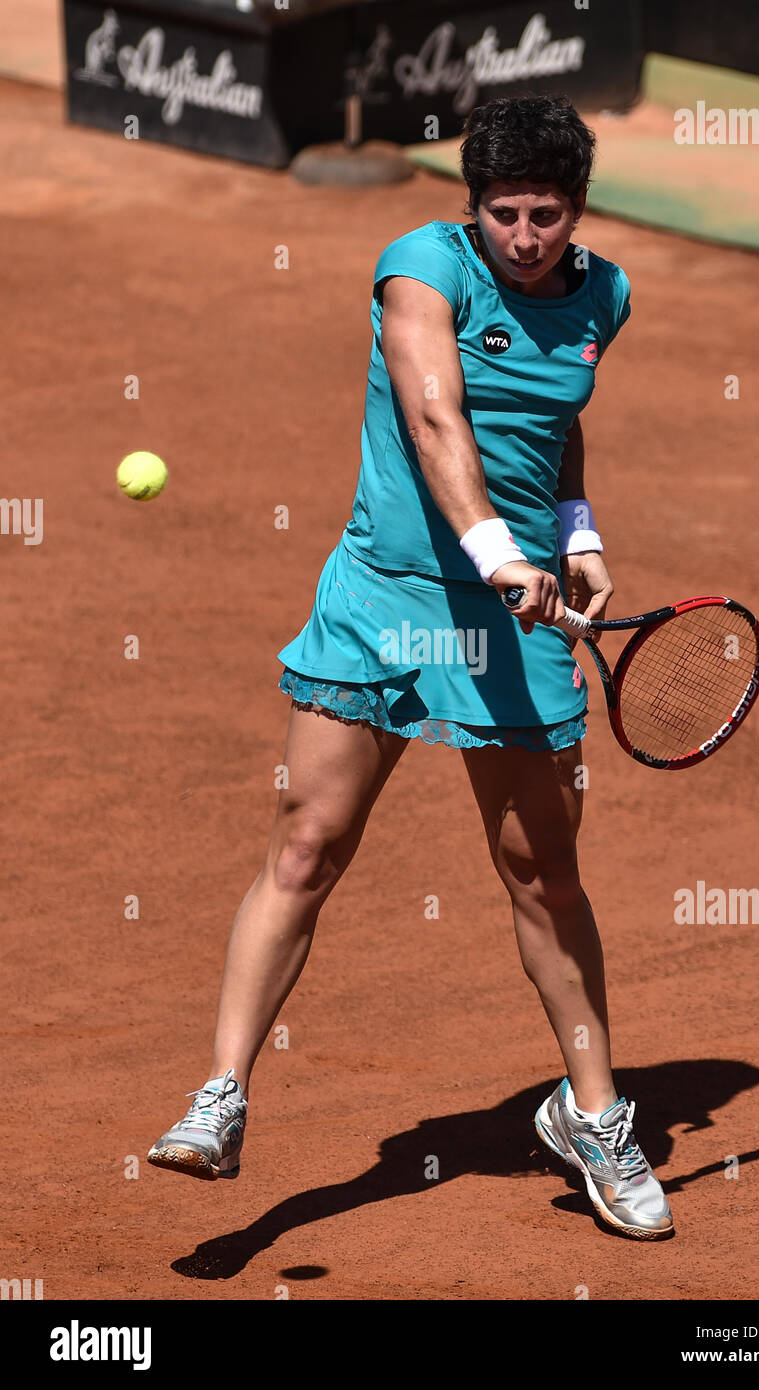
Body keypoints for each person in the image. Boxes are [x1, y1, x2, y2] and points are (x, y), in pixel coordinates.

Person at [148, 94, 673, 1241]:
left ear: (576, 210)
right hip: (386, 600)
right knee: (305, 841)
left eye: (544, 215)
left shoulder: (604, 295)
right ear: (468, 207)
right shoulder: (418, 270)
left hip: (512, 623)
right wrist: (495, 549)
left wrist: (575, 531)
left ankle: (590, 1114)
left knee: (544, 880)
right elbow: (436, 418)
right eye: (501, 214)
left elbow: (549, 422)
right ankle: (220, 1097)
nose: (522, 237)